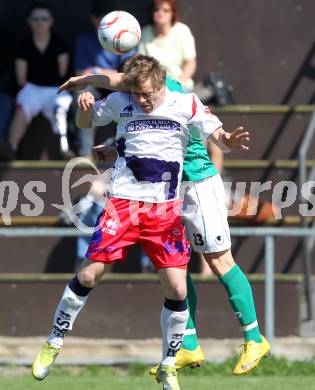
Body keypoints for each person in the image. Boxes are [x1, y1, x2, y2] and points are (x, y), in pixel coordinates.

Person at [32, 54, 249, 390]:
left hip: (164, 211)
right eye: (137, 94)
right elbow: (85, 124)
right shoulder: (123, 100)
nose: (143, 100)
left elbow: (217, 134)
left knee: (177, 287)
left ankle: (168, 364)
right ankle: (54, 341)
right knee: (89, 273)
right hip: (123, 205)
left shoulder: (184, 102)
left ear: (162, 83)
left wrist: (229, 142)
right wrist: (86, 106)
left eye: (148, 94)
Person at [7, 1, 73, 159]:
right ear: (29, 21)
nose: (39, 22)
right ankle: (10, 149)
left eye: (44, 18)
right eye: (35, 18)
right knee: (23, 108)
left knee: (60, 110)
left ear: (50, 21)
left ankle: (65, 150)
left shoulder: (61, 44)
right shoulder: (23, 46)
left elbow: (63, 74)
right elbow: (21, 79)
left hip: (56, 89)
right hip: (32, 88)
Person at [73, 0, 137, 157]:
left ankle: (129, 150)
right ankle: (85, 154)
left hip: (120, 86)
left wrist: (96, 71)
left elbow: (129, 75)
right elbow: (81, 73)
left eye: (107, 17)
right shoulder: (84, 39)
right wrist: (98, 75)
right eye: (100, 17)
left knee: (134, 94)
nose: (104, 22)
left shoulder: (126, 38)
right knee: (83, 94)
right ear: (93, 19)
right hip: (93, 87)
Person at [138, 0, 197, 91]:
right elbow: (141, 63)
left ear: (173, 13)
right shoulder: (145, 32)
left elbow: (190, 62)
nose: (160, 13)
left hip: (180, 85)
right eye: (156, 10)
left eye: (165, 10)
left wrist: (179, 83)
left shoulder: (182, 30)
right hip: (152, 86)